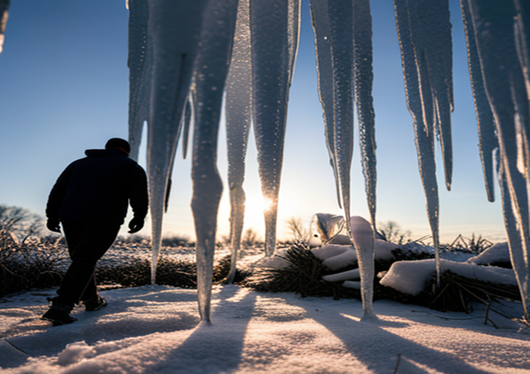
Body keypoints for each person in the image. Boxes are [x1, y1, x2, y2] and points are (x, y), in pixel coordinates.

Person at [42, 138, 148, 326]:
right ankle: (61, 306)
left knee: (82, 259)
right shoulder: (130, 166)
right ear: (126, 150)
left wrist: (52, 215)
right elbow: (138, 194)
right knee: (85, 259)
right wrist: (139, 216)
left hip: (70, 216)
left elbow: (57, 190)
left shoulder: (78, 164)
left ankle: (91, 300)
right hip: (104, 217)